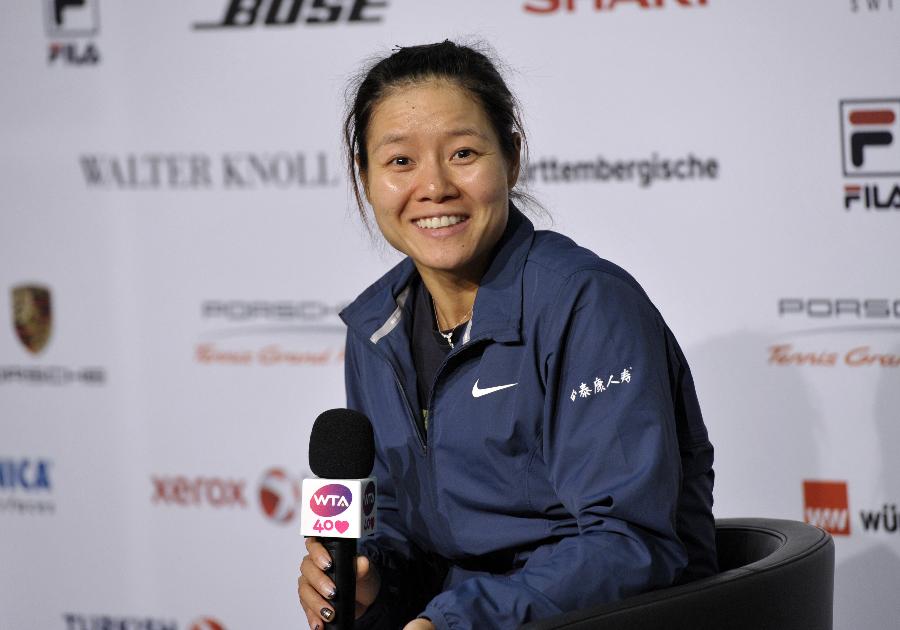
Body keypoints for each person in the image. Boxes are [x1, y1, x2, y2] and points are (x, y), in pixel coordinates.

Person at [298, 40, 716, 630]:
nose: (434, 186)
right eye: (399, 162)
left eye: (463, 153)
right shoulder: (375, 329)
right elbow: (401, 527)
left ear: (511, 159)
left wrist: (451, 621)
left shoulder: (588, 305)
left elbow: (628, 543)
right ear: (364, 178)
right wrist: (369, 585)